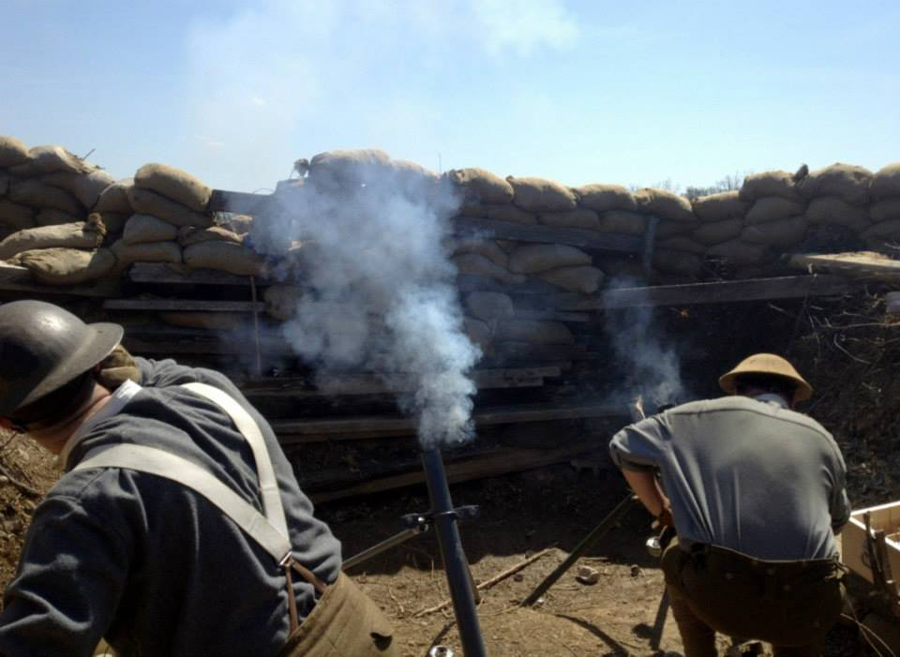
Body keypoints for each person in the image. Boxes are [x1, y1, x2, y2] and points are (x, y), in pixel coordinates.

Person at [0, 299, 398, 657]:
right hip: (358, 632)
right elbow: (159, 373)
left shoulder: (82, 503)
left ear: (6, 424)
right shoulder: (207, 389)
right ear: (99, 363)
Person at [609, 353, 851, 657]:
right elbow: (838, 521)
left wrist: (661, 509)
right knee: (801, 616)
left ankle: (701, 652)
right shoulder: (822, 438)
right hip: (807, 609)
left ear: (736, 390)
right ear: (793, 399)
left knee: (673, 555)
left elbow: (622, 446)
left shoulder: (695, 417)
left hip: (720, 601)